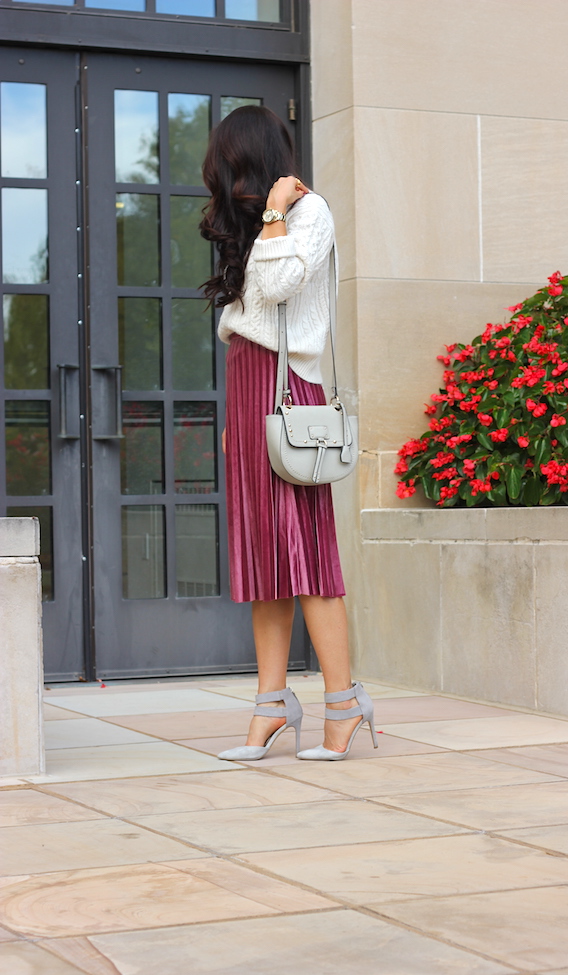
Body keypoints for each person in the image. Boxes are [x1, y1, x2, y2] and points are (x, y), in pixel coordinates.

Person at [200, 105, 377, 762]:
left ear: (249, 159)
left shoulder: (309, 212)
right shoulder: (256, 226)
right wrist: (232, 420)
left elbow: (276, 286)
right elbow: (244, 321)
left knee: (307, 554)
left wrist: (276, 211)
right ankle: (271, 706)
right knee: (262, 560)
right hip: (249, 391)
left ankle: (344, 702)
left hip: (289, 393)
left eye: (224, 165)